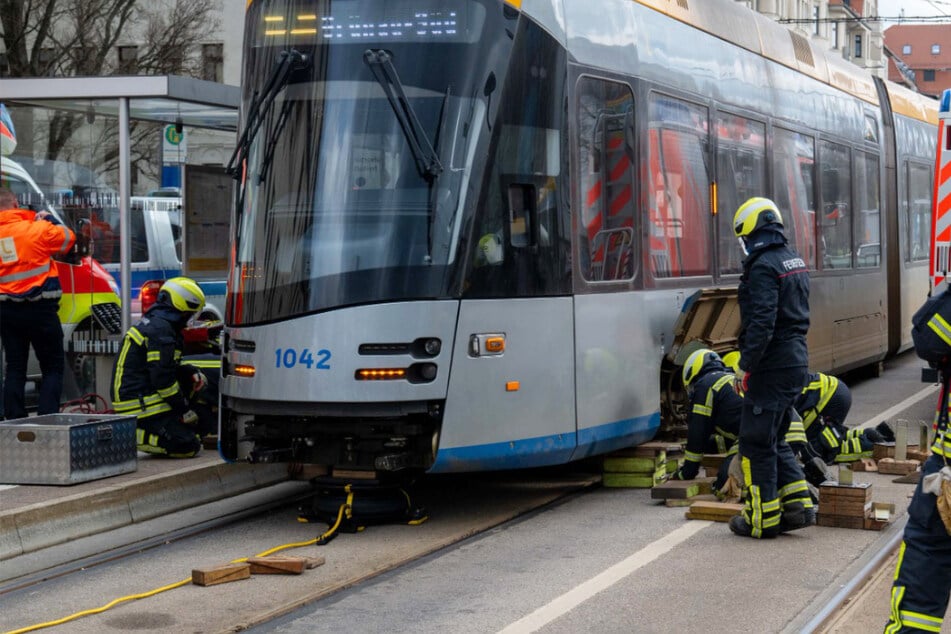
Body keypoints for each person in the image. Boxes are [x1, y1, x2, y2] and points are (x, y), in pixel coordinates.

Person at [729, 196, 814, 538]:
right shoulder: (793, 260)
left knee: (755, 443)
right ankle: (798, 507)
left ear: (752, 229)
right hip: (795, 361)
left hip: (771, 366)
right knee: (775, 438)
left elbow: (763, 322)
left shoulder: (763, 266)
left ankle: (761, 520)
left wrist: (745, 365)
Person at [110, 276, 214, 457]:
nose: (191, 318)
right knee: (188, 446)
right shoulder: (161, 331)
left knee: (201, 426)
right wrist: (183, 410)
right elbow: (163, 380)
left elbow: (165, 368)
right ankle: (129, 436)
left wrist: (191, 372)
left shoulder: (161, 324)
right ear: (183, 309)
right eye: (192, 313)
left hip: (144, 393)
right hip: (138, 405)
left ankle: (167, 425)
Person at [0, 187, 76, 419]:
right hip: (40, 308)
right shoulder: (37, 229)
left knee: (15, 367)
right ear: (15, 203)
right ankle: (47, 419)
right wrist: (48, 218)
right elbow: (68, 238)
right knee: (52, 366)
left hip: (6, 310)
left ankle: (14, 421)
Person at [674, 348, 742, 489]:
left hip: (754, 439)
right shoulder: (730, 379)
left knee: (723, 485)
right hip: (778, 433)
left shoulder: (704, 386)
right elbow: (732, 429)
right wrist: (709, 446)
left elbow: (697, 433)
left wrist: (686, 472)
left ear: (693, 373)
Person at [795, 371, 894, 464]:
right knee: (827, 436)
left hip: (829, 398)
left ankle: (874, 447)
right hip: (834, 389)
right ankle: (871, 434)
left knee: (816, 452)